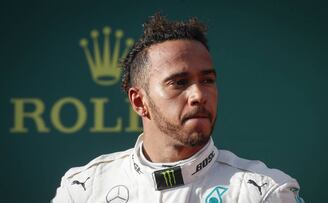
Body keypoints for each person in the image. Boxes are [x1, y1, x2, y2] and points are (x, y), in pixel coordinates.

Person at [52, 13, 304, 203]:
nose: (198, 95)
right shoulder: (83, 189)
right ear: (139, 102)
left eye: (207, 81)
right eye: (179, 83)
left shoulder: (263, 191)